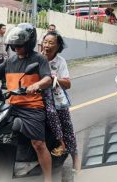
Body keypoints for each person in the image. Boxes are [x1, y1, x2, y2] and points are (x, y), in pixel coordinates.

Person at [0, 23, 54, 182]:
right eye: (13, 46)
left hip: (31, 106)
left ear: (28, 43)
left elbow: (47, 78)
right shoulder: (10, 61)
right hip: (11, 105)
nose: (16, 49)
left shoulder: (39, 59)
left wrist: (37, 85)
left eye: (19, 46)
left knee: (39, 144)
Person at [41, 32, 78, 166]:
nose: (47, 45)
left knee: (67, 126)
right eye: (45, 42)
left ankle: (74, 159)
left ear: (58, 47)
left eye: (51, 43)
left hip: (57, 97)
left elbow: (68, 84)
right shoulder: (38, 58)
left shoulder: (60, 62)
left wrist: (54, 79)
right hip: (40, 97)